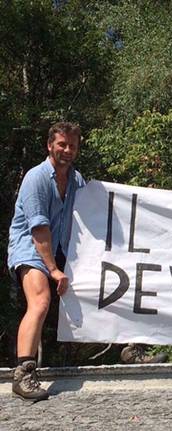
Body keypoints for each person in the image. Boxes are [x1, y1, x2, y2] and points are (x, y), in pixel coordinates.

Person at [7, 122, 86, 400]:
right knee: (40, 299)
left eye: (72, 146)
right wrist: (53, 269)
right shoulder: (36, 178)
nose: (66, 150)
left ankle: (129, 348)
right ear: (49, 145)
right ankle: (23, 373)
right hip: (31, 249)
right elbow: (39, 230)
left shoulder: (77, 180)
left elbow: (93, 214)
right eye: (61, 144)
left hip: (63, 249)